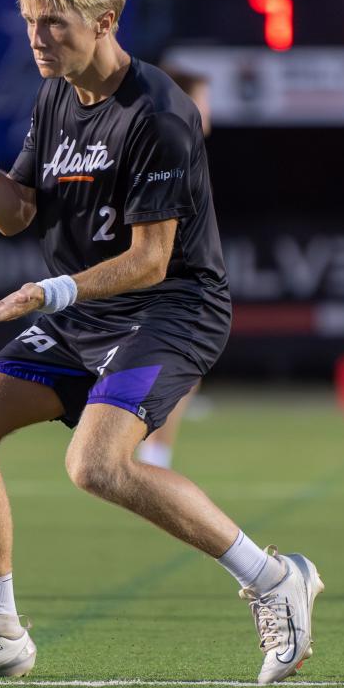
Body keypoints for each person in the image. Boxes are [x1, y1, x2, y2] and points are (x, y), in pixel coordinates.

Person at [0, 0, 323, 684]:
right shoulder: (57, 95)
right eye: (30, 21)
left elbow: (150, 260)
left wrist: (49, 292)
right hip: (85, 314)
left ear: (105, 21)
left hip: (171, 309)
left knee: (95, 466)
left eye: (54, 23)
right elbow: (16, 214)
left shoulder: (159, 113)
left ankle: (275, 578)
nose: (37, 38)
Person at [135, 66, 213, 470]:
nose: (209, 111)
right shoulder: (167, 151)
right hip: (161, 283)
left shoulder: (180, 149)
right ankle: (150, 461)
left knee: (183, 372)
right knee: (174, 369)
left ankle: (150, 457)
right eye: (203, 100)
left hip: (174, 281)